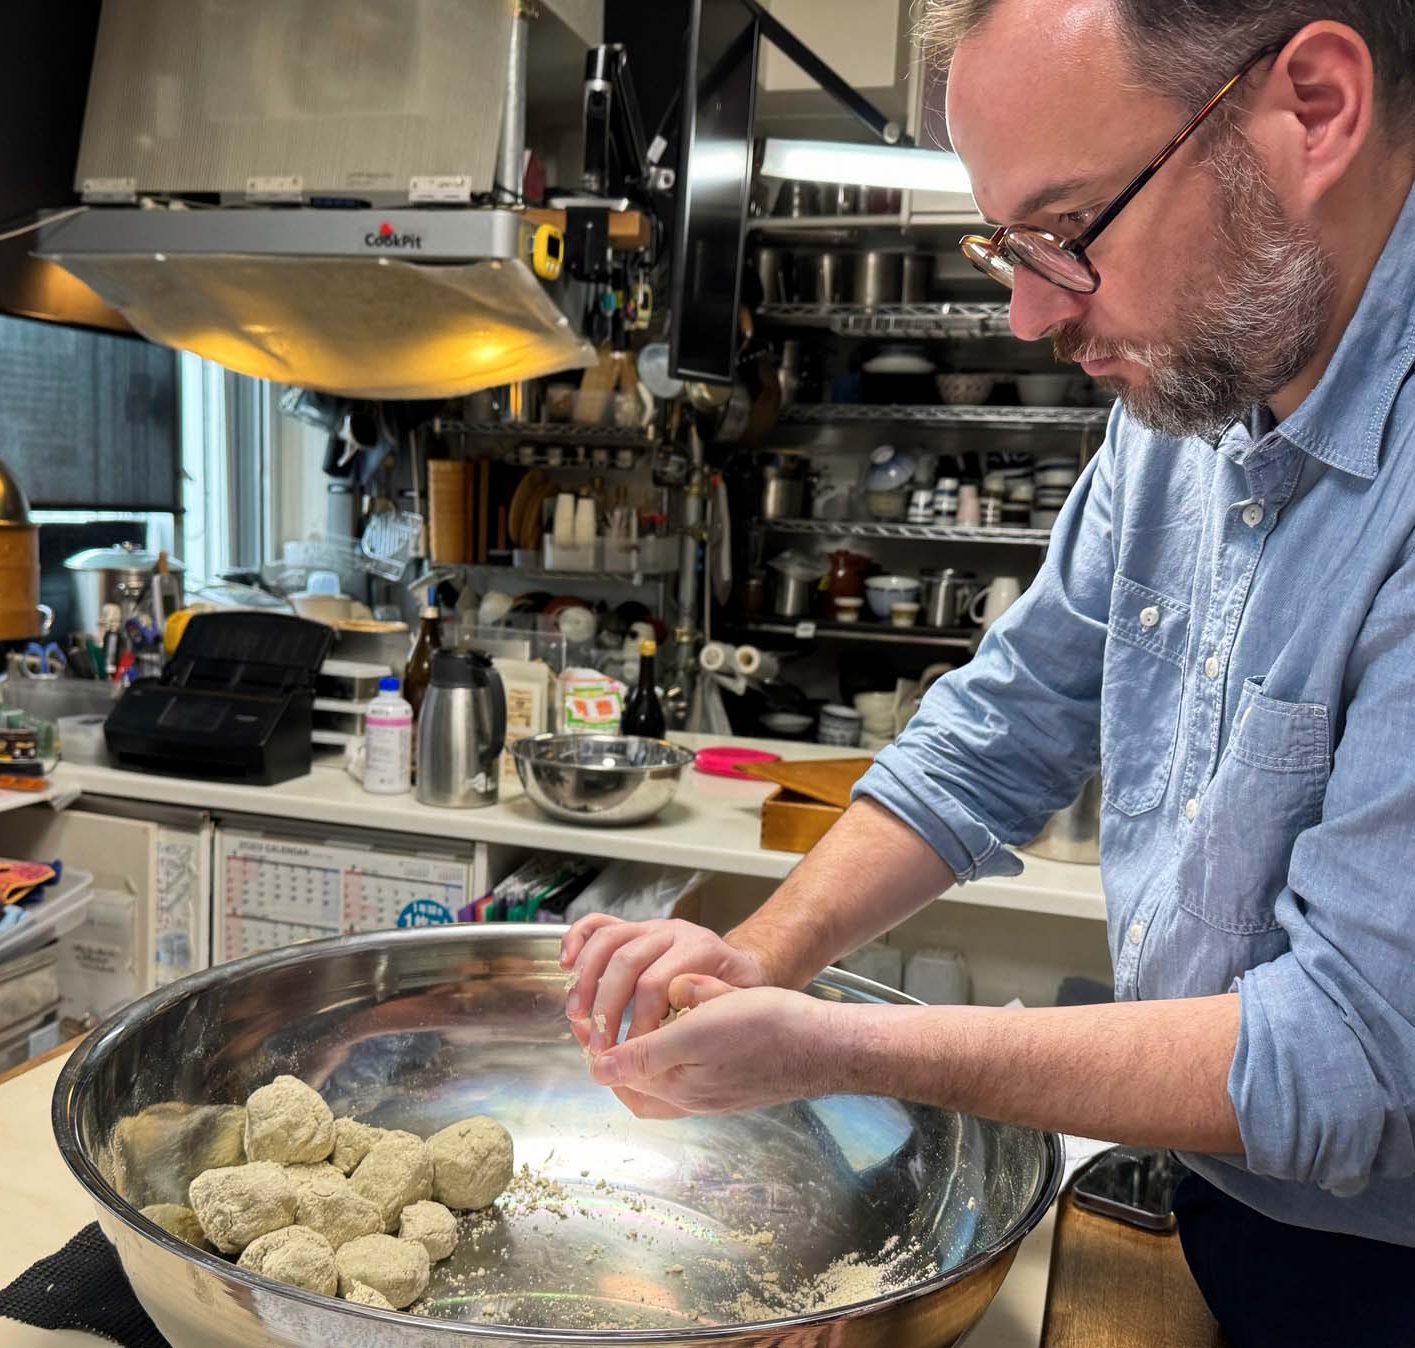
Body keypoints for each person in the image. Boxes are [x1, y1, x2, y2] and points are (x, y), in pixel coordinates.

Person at [561, 4, 1415, 1342]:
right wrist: (759, 958)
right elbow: (1000, 727)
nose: (1026, 318)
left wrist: (835, 1045)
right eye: (1004, 248)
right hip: (1237, 1209)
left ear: (1311, 104)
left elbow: (1350, 1057)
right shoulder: (1196, 391)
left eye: (1064, 232)